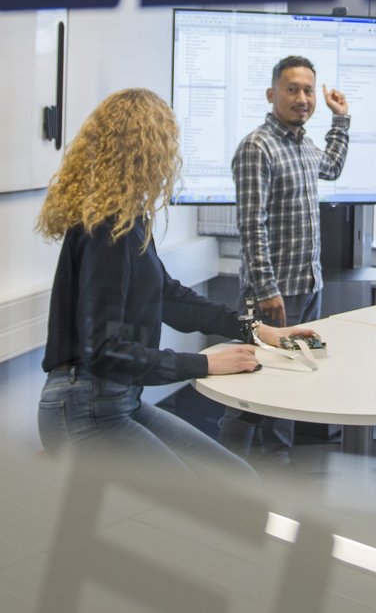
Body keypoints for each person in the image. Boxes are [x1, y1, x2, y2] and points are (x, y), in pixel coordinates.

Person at [36, 88, 318, 478]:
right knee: (197, 506)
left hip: (118, 401)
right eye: (168, 143)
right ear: (146, 148)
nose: (171, 158)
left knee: (238, 480)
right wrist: (202, 363)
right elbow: (104, 351)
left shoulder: (125, 221)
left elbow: (168, 298)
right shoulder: (106, 229)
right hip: (86, 408)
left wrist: (253, 330)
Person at [218, 55, 351, 466]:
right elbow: (250, 226)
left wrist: (341, 120)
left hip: (307, 289)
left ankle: (278, 471)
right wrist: (267, 289)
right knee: (250, 393)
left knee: (288, 389)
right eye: (292, 89)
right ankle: (221, 478)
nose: (302, 98)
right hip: (274, 295)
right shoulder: (258, 147)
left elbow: (331, 166)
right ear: (271, 94)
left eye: (308, 90)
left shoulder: (302, 145)